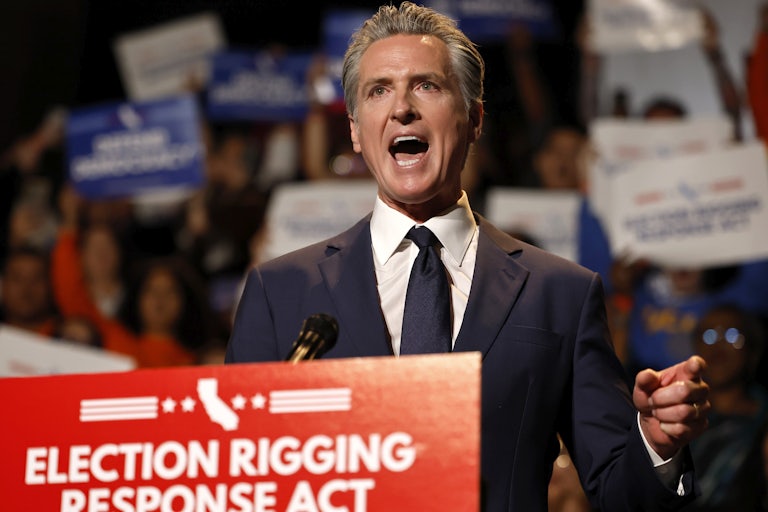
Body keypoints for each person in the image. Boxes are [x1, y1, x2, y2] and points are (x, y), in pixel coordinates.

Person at [226, 3, 710, 510]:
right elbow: (238, 477)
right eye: (378, 90)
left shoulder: (559, 293)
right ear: (354, 130)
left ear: (474, 119)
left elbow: (617, 490)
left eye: (426, 86)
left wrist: (656, 445)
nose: (401, 108)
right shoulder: (279, 292)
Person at [683, 303, 768, 511]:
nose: (718, 347)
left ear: (752, 352)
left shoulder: (763, 420)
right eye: (709, 336)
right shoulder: (675, 412)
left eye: (732, 336)